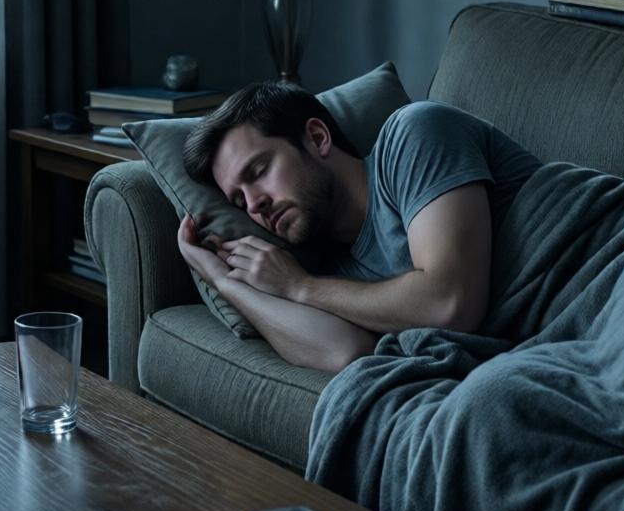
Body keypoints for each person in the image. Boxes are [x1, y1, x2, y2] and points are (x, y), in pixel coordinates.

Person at [176, 81, 541, 372]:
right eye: (240, 201)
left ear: (318, 138)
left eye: (258, 171)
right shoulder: (335, 274)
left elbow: (451, 303)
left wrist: (299, 286)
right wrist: (223, 281)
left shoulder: (414, 133)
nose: (254, 203)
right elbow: (345, 352)